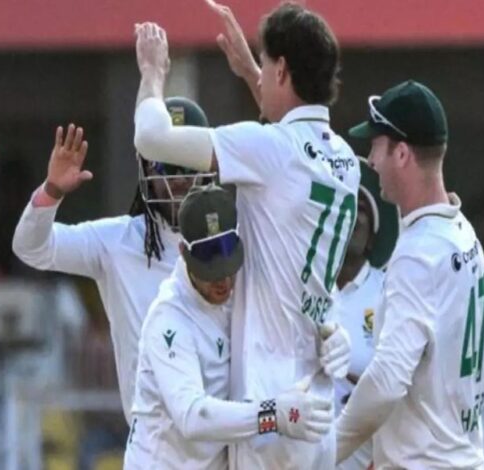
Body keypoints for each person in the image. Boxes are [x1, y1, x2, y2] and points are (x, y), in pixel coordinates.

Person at [133, 3, 356, 467]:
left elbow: (151, 137)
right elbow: (290, 150)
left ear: (282, 70)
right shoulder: (345, 161)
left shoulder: (270, 150)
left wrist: (153, 73)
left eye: (266, 63)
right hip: (319, 404)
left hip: (271, 409)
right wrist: (254, 73)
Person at [12, 97, 213, 425]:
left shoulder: (234, 241)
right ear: (147, 170)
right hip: (150, 442)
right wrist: (52, 191)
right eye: (168, 167)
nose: (178, 180)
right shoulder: (115, 243)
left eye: (188, 166)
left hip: (224, 438)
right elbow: (31, 248)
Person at [336, 80, 484, 469]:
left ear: (402, 153)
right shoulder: (462, 233)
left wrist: (324, 452)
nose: (371, 160)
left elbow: (387, 380)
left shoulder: (419, 254)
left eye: (376, 146)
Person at [124, 184, 332, 469]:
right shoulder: (169, 319)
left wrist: (331, 334)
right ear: (183, 252)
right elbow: (192, 417)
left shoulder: (241, 291)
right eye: (210, 271)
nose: (223, 281)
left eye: (228, 267)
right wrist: (273, 415)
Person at [331, 159, 399, 470]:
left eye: (359, 208)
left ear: (372, 236)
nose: (349, 216)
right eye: (342, 205)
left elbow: (400, 389)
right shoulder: (307, 289)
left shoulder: (389, 292)